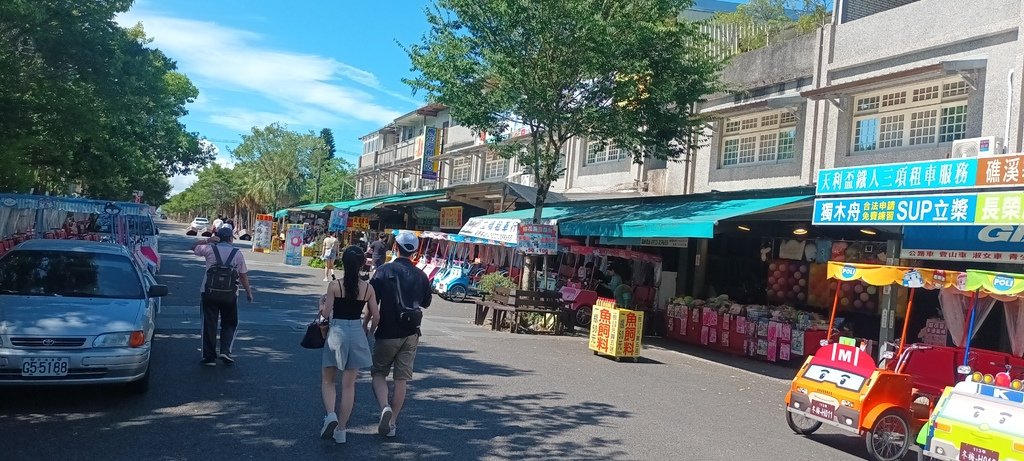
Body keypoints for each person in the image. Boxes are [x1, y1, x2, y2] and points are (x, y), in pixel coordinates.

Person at [368, 231, 431, 438]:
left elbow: (372, 301)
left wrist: (367, 325)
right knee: (401, 380)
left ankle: (384, 406)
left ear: (395, 247)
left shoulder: (383, 271)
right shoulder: (421, 275)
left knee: (378, 373)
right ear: (415, 251)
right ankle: (392, 423)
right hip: (411, 333)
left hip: (387, 330)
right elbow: (426, 302)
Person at [319, 246, 380, 444]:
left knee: (328, 380)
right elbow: (376, 316)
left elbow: (325, 313)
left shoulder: (335, 285)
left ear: (343, 263)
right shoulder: (368, 288)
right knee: (349, 385)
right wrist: (367, 331)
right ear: (362, 264)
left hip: (336, 332)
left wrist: (320, 306)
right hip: (356, 332)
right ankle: (342, 430)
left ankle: (331, 415)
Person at [192, 226, 254, 366]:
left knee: (209, 323)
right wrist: (249, 293)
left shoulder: (209, 249)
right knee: (230, 323)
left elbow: (193, 247)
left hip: (208, 293)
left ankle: (209, 357)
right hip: (230, 295)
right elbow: (243, 275)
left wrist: (208, 240)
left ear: (218, 237)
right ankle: (225, 351)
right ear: (231, 238)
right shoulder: (237, 253)